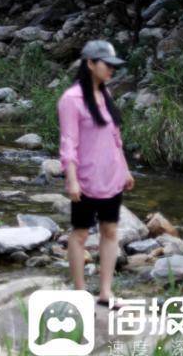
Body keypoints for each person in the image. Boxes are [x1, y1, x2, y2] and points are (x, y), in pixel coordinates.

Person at [59, 40, 135, 309]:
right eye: (108, 65)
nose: (112, 70)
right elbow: (69, 143)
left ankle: (105, 293)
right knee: (80, 234)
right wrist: (71, 179)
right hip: (86, 179)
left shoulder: (107, 95)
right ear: (90, 63)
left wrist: (125, 170)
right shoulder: (71, 99)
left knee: (110, 230)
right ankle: (81, 295)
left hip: (112, 177)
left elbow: (116, 139)